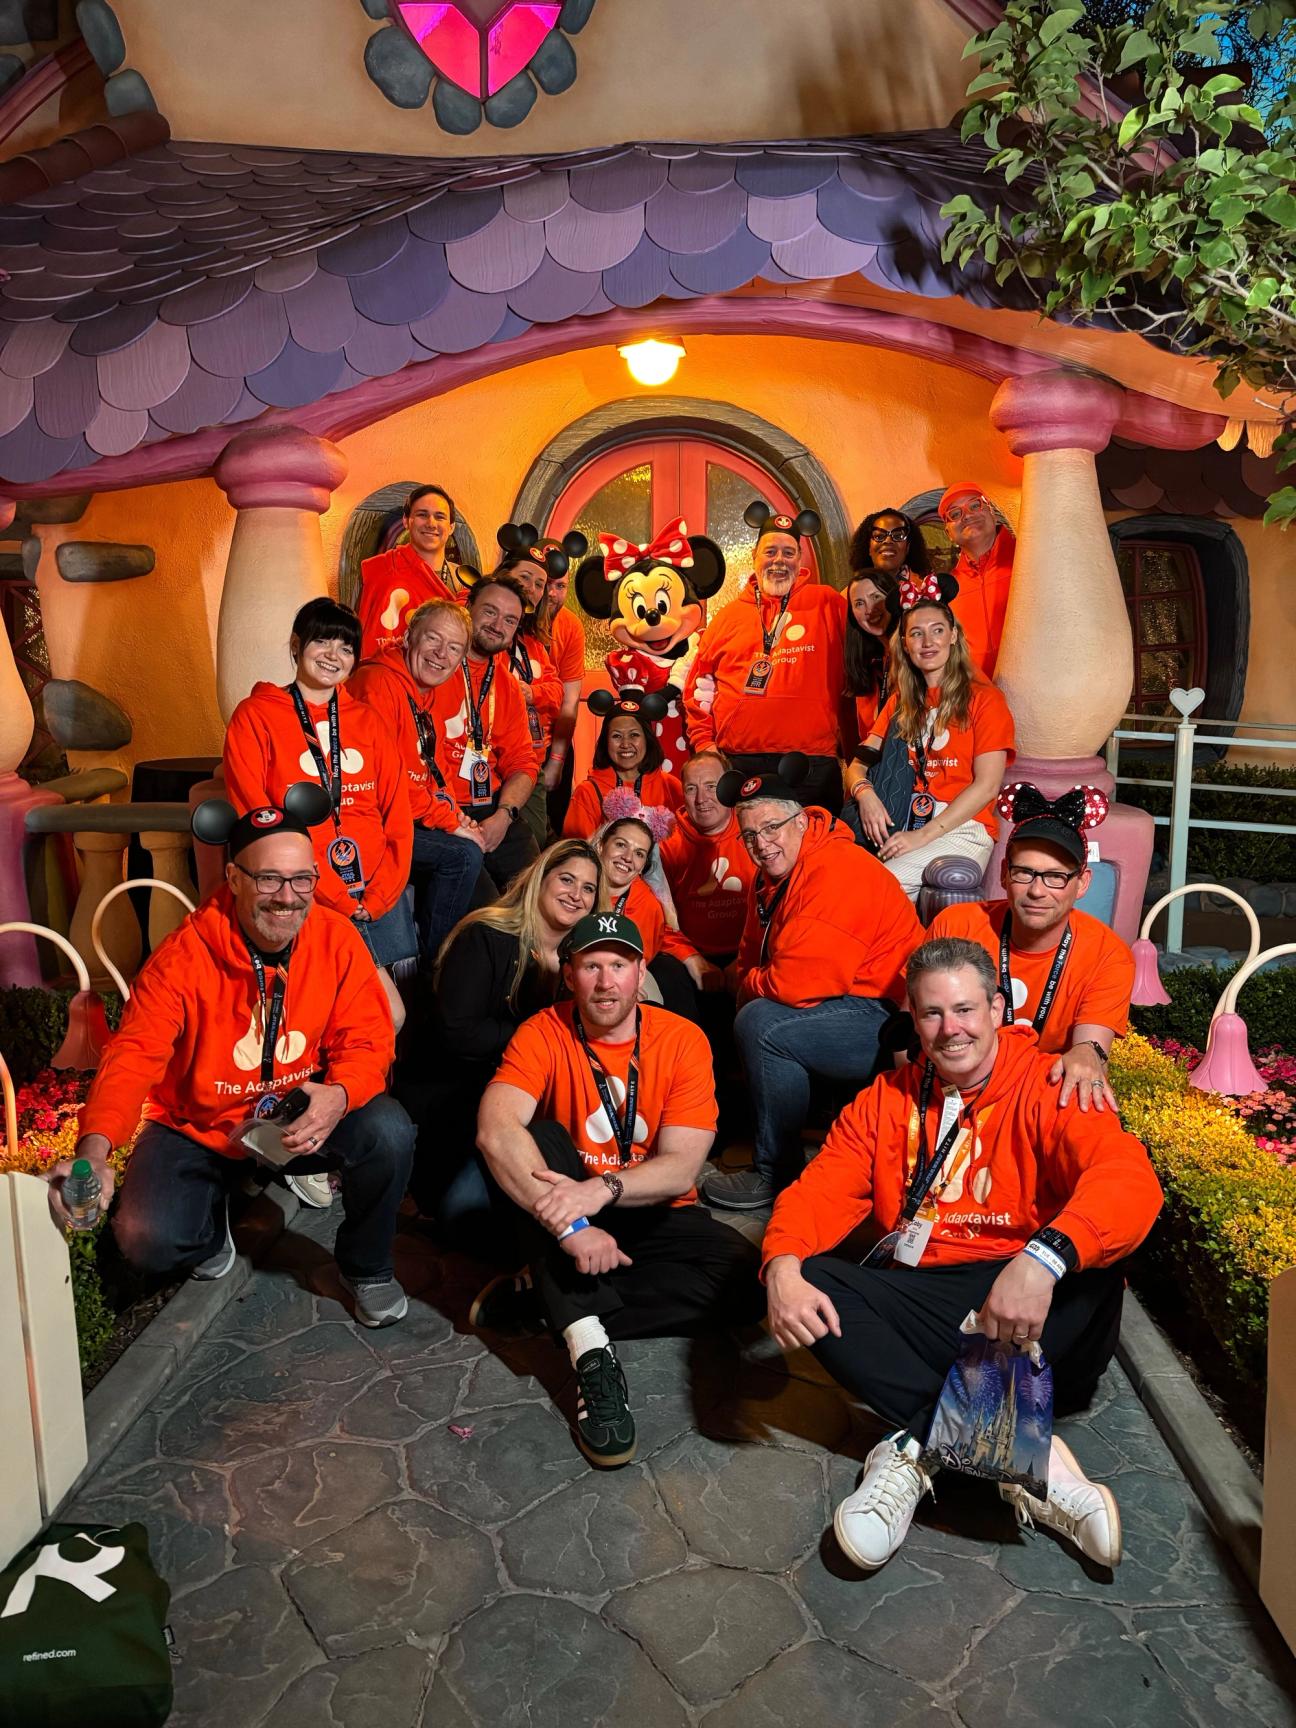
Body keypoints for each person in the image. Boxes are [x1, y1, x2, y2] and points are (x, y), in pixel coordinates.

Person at [763, 936, 1162, 1573]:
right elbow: (819, 1190)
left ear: (998, 1008)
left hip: (1029, 1308)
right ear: (912, 1020)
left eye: (967, 1010)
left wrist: (1044, 1258)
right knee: (811, 1279)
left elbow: (1130, 1182)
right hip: (938, 1297)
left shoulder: (1051, 1082)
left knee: (1100, 1263)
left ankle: (914, 1446)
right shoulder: (883, 1101)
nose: (952, 1030)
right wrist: (781, 1263)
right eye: (932, 1014)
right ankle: (1023, 1453)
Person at [47, 803, 415, 1329]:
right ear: (234, 879)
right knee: (148, 1239)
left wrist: (340, 1094)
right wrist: (96, 1146)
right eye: (269, 878)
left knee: (388, 1130)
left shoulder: (336, 939)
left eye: (301, 879)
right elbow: (132, 1056)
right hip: (199, 1126)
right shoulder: (182, 958)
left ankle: (368, 1267)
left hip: (292, 1117)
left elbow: (368, 1040)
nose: (287, 897)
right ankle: (209, 1216)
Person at [474, 910, 763, 1466]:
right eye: (591, 966)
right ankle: (589, 1349)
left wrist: (598, 1193)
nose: (606, 982)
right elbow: (494, 1129)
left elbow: (680, 1169)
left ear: (639, 973)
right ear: (569, 974)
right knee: (537, 1138)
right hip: (568, 1209)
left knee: (750, 1287)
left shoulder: (682, 1040)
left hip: (644, 1204)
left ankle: (545, 1303)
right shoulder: (543, 1030)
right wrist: (570, 1223)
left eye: (620, 965)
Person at [700, 758, 922, 1212]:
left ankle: (775, 1173)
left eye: (772, 828)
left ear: (801, 820)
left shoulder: (834, 868)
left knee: (761, 1023)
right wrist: (744, 979)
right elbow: (750, 949)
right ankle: (719, 1132)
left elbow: (798, 984)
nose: (761, 844)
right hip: (840, 998)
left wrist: (750, 984)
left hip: (886, 1017)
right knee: (726, 1003)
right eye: (749, 835)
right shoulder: (775, 874)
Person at [420, 840, 602, 1236]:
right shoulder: (485, 934)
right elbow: (457, 1032)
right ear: (540, 879)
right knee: (464, 1214)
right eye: (566, 879)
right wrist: (540, 1042)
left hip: (543, 1103)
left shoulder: (586, 959)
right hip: (465, 1098)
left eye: (588, 888)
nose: (576, 894)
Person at [223, 598, 414, 971]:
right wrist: (327, 893)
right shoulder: (256, 715)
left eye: (346, 648)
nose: (333, 656)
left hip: (377, 889)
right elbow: (258, 818)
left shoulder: (368, 721)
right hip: (302, 889)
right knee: (341, 1007)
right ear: (296, 645)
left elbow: (398, 816)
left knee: (402, 999)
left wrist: (380, 894)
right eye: (322, 642)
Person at [926, 782, 1134, 1109]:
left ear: (1082, 883)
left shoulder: (1109, 955)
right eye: (1025, 873)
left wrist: (1086, 1054)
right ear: (1005, 874)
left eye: (1055, 877)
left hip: (1041, 1092)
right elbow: (911, 1029)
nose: (1038, 891)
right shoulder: (956, 925)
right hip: (955, 1088)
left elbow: (1091, 1048)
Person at [853, 572, 1015, 900]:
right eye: (916, 633)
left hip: (962, 827)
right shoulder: (901, 701)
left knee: (878, 884)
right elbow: (856, 764)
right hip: (902, 818)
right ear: (905, 644)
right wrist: (865, 795)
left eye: (937, 630)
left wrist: (922, 837)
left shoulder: (985, 699)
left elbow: (986, 787)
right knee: (840, 872)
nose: (928, 642)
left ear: (953, 636)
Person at [349, 600, 488, 963]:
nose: (441, 655)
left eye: (454, 648)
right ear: (409, 636)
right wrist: (447, 823)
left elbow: (433, 768)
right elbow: (385, 782)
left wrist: (457, 816)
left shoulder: (426, 692)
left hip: (407, 813)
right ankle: (434, 967)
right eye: (434, 640)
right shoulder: (377, 684)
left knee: (486, 887)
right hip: (373, 822)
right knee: (463, 855)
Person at [683, 504, 846, 812]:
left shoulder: (828, 603)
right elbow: (698, 686)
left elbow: (867, 640)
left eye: (789, 553)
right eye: (770, 552)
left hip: (813, 764)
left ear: (800, 559)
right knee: (743, 854)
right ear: (753, 557)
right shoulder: (728, 616)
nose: (779, 561)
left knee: (813, 852)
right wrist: (705, 745)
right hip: (737, 762)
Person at [440, 573, 540, 896]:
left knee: (537, 892)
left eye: (510, 620)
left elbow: (524, 763)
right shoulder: (435, 667)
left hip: (492, 806)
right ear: (467, 607)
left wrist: (505, 814)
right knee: (488, 909)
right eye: (490, 612)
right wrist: (452, 818)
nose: (498, 625)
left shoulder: (507, 686)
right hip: (440, 810)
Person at [659, 749, 756, 987]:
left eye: (711, 786)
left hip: (751, 951)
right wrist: (690, 958)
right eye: (691, 788)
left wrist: (748, 958)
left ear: (729, 787)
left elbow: (780, 906)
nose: (701, 799)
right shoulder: (667, 844)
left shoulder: (755, 830)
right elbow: (653, 917)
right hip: (692, 954)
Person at [493, 542, 567, 851]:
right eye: (525, 578)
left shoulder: (534, 644)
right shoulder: (487, 630)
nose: (532, 589)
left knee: (533, 842)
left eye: (539, 584)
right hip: (491, 762)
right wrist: (514, 692)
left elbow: (557, 692)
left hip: (530, 761)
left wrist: (531, 693)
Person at [595, 813, 696, 1022]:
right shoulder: (579, 880)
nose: (628, 858)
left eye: (639, 854)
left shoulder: (646, 904)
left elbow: (633, 961)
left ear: (643, 866)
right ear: (600, 846)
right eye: (621, 845)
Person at [357, 484, 470, 658]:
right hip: (389, 674)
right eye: (422, 515)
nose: (431, 523)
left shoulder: (465, 582)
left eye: (439, 517)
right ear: (406, 521)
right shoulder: (379, 569)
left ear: (451, 527)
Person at [845, 508, 927, 744]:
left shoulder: (927, 596)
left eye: (898, 535)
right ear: (868, 547)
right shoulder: (849, 596)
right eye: (879, 536)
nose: (888, 541)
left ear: (909, 546)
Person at [563, 694, 683, 840]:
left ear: (648, 740)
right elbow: (576, 852)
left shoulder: (670, 786)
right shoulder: (587, 792)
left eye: (634, 735)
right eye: (616, 736)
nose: (625, 744)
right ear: (605, 742)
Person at [937, 483, 1017, 677]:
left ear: (992, 512)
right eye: (955, 514)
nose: (967, 516)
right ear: (948, 533)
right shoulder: (946, 590)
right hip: (979, 700)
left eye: (975, 505)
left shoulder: (1026, 558)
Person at [537, 563, 593, 833]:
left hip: (552, 740)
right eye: (545, 583)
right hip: (511, 742)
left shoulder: (570, 626)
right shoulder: (511, 619)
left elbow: (569, 702)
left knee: (554, 827)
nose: (551, 593)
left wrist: (556, 761)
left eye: (560, 586)